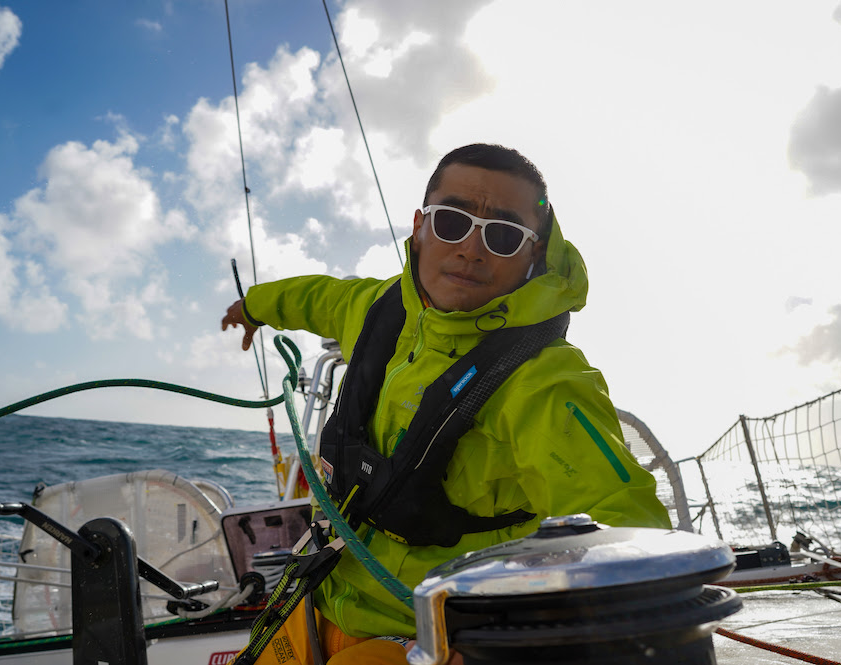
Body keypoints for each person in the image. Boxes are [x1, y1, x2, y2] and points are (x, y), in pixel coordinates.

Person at [222, 143, 670, 665]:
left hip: (430, 639)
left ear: (535, 253)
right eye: (452, 222)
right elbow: (313, 297)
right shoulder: (373, 308)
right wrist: (253, 307)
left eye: (503, 235)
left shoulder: (546, 384)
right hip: (317, 602)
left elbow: (634, 536)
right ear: (419, 226)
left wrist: (526, 650)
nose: (471, 250)